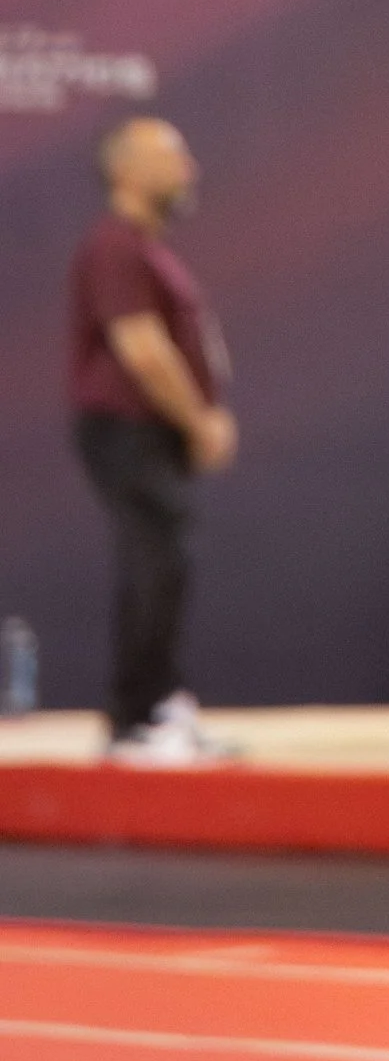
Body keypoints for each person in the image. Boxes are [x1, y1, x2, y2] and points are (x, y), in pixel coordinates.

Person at [69, 114, 238, 760]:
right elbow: (142, 349)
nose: (187, 169)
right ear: (125, 170)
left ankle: (157, 705)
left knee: (163, 565)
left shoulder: (146, 249)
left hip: (149, 433)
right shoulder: (115, 247)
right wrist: (200, 420)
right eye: (172, 156)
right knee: (154, 564)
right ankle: (136, 721)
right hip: (127, 429)